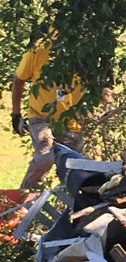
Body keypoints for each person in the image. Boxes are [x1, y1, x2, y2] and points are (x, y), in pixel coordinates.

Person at [10, 37, 90, 191]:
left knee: (76, 168)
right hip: (40, 116)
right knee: (45, 156)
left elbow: (96, 80)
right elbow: (19, 79)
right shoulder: (38, 49)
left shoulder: (85, 49)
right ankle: (25, 201)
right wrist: (16, 113)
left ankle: (73, 207)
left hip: (70, 120)